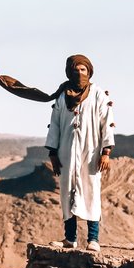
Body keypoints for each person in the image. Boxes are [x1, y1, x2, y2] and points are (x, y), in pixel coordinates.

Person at [46, 54, 114, 253]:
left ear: (89, 71)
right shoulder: (62, 96)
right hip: (66, 153)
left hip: (91, 152)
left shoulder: (98, 95)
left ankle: (93, 239)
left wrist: (106, 151)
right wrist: (52, 153)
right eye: (75, 70)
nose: (79, 73)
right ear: (69, 72)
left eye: (83, 70)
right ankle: (70, 239)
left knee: (91, 190)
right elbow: (55, 125)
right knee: (67, 192)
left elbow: (106, 123)